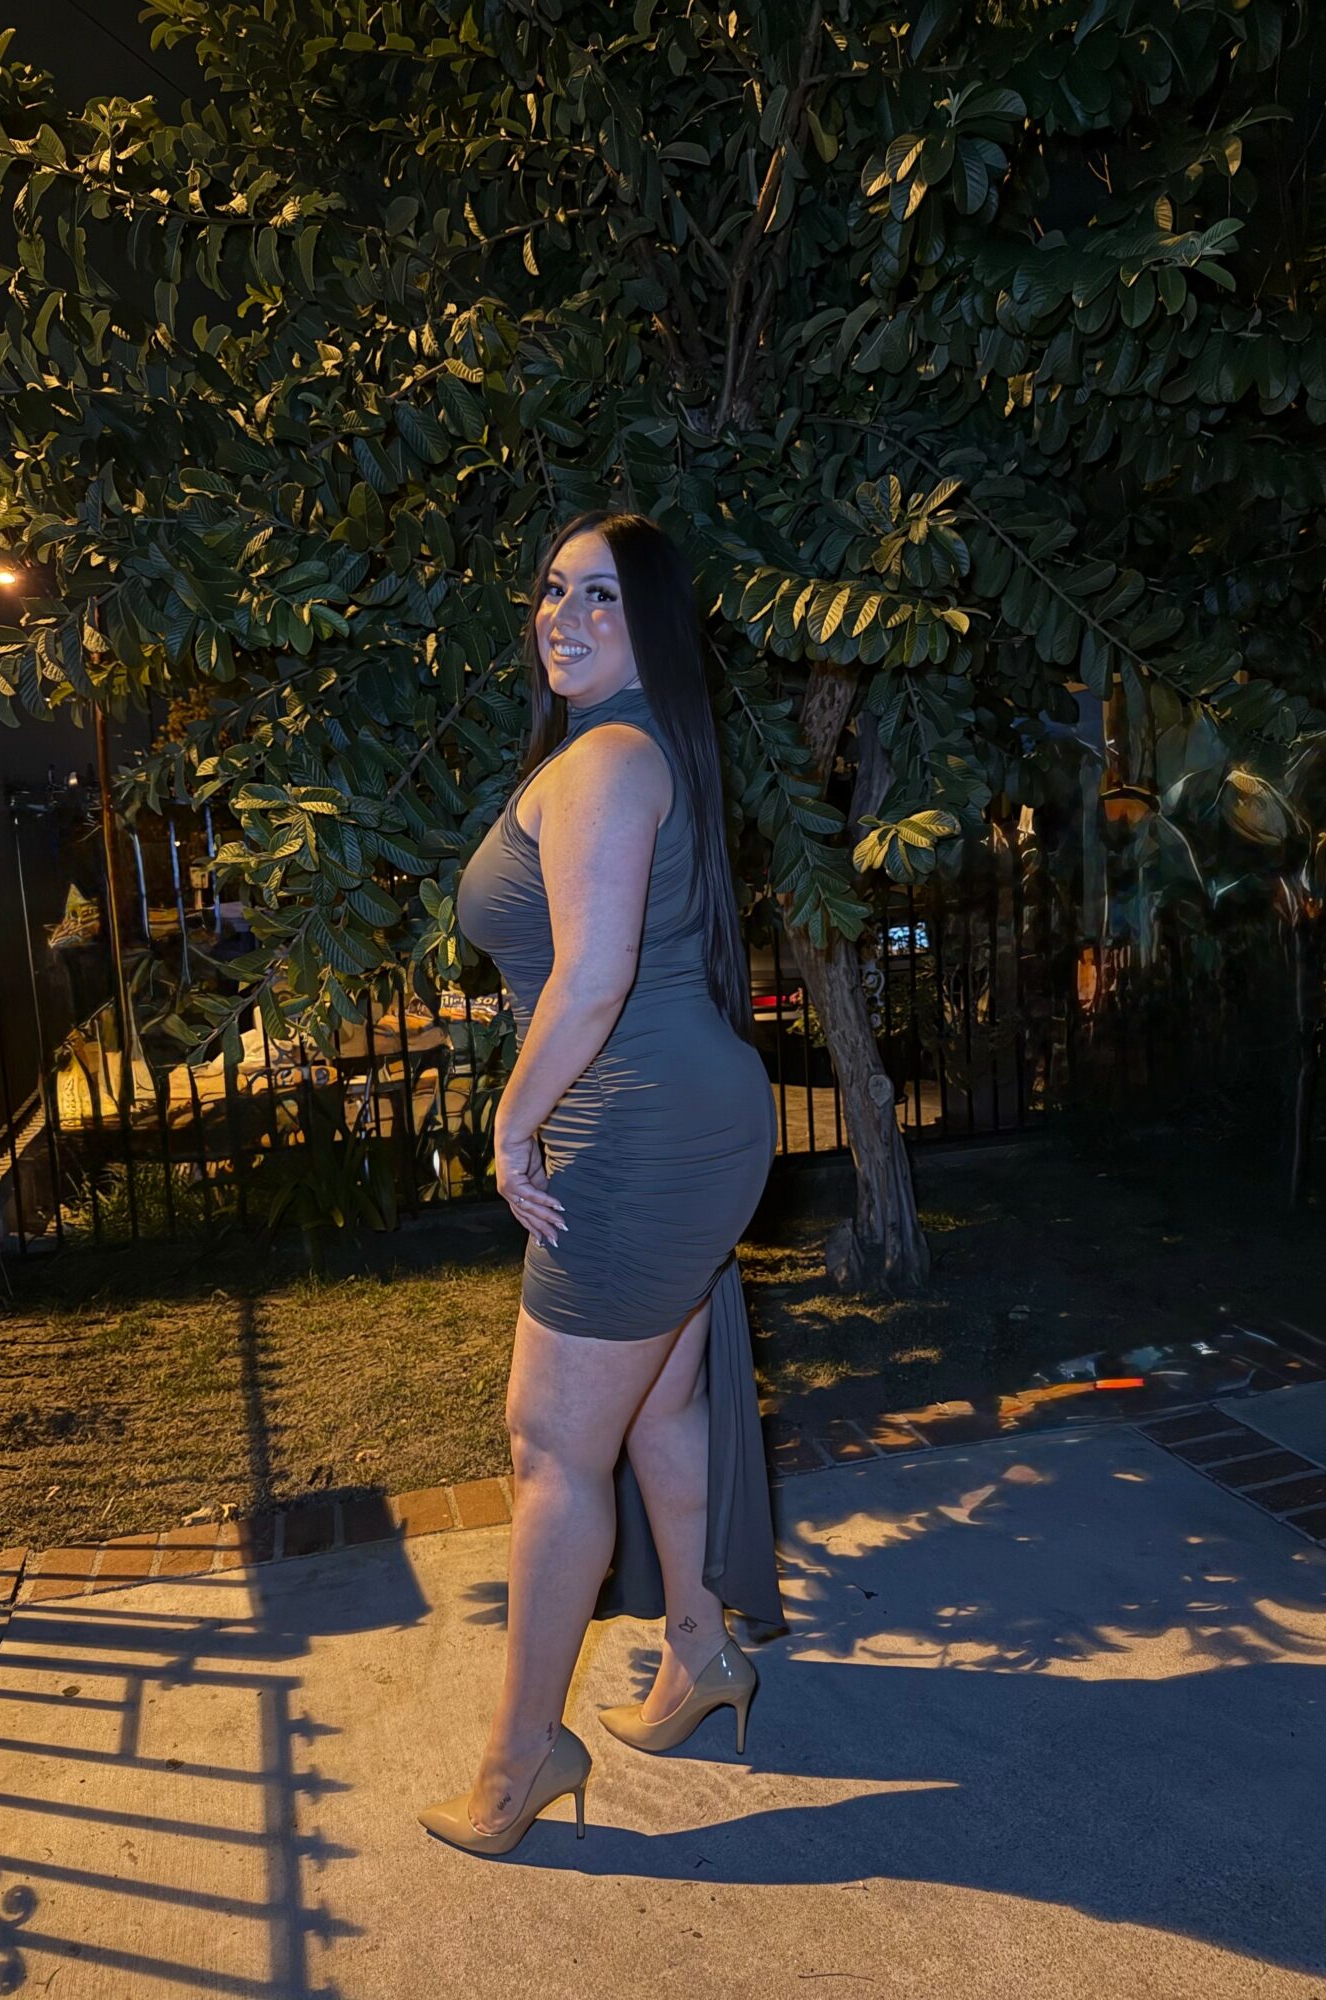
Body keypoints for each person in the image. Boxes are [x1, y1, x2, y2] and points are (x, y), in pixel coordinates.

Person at [415, 509, 783, 1857]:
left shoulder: (609, 761)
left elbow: (595, 975)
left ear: (654, 630)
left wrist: (513, 1123)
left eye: (604, 599)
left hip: (637, 1133)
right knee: (659, 1405)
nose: (562, 616)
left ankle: (517, 1765)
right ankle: (697, 1653)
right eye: (553, 587)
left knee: (550, 1447)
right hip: (676, 1118)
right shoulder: (628, 753)